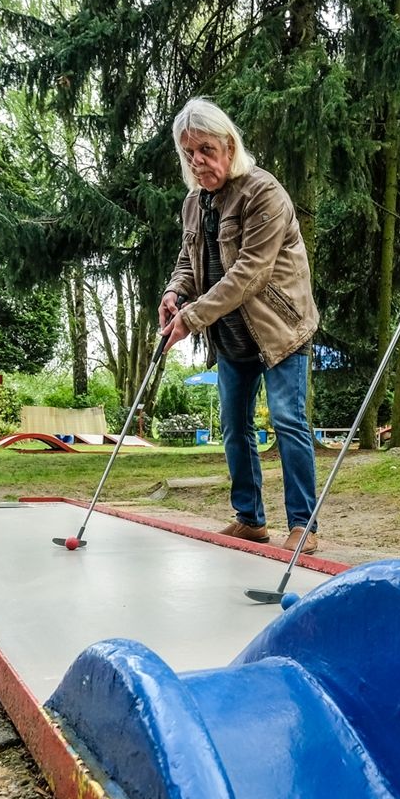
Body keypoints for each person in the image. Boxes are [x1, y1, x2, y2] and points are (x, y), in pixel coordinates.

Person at [160, 97, 323, 553]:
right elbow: (187, 261)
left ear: (229, 146)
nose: (198, 162)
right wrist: (174, 293)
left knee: (289, 421)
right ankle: (250, 518)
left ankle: (303, 525)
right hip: (230, 335)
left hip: (279, 330)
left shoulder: (263, 193)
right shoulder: (194, 202)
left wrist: (191, 316)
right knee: (234, 426)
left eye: (206, 150)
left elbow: (250, 271)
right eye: (189, 153)